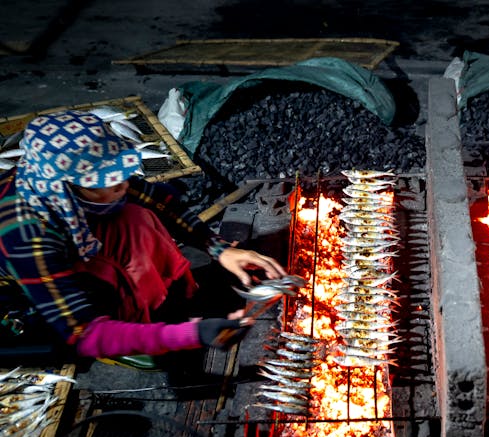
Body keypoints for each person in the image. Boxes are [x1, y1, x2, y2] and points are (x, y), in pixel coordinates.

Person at [0, 109, 286, 367]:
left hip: (64, 236)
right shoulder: (27, 237)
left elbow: (157, 201)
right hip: (25, 293)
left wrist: (219, 248)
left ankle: (153, 310)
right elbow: (83, 333)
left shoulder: (75, 182)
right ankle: (128, 340)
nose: (122, 184)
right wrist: (191, 334)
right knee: (98, 287)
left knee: (137, 218)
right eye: (105, 180)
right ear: (66, 189)